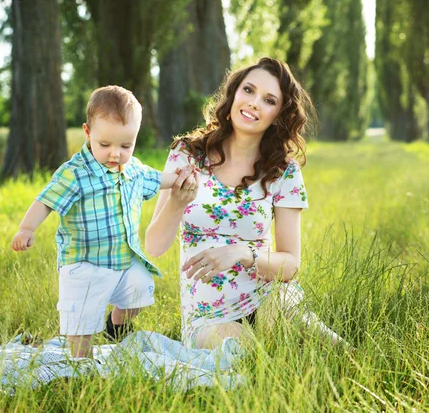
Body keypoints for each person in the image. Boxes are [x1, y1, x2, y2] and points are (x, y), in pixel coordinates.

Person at [145, 57, 342, 349]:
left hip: (268, 297)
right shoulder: (187, 153)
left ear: (278, 114)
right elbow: (154, 247)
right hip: (208, 313)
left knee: (327, 347)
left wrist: (243, 253)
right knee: (250, 357)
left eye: (268, 100)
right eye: (248, 91)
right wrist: (176, 203)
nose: (253, 103)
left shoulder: (283, 171)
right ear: (234, 92)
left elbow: (290, 264)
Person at [11, 85, 195, 358]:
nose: (115, 154)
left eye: (125, 145)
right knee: (81, 323)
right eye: (105, 144)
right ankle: (80, 364)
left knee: (142, 288)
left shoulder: (133, 169)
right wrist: (27, 228)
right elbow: (46, 201)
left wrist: (181, 178)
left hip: (123, 259)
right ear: (88, 133)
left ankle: (117, 325)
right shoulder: (75, 173)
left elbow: (158, 179)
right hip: (84, 264)